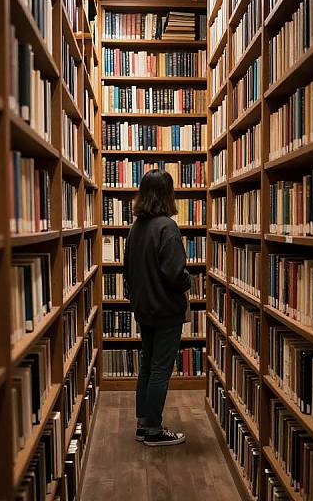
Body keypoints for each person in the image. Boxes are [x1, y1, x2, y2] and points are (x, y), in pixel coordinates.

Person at [123, 169, 191, 446]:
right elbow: (175, 273)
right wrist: (189, 280)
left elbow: (128, 269)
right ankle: (153, 429)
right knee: (161, 369)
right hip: (165, 310)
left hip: (144, 309)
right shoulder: (167, 227)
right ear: (167, 194)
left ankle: (143, 423)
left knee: (147, 366)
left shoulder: (135, 228)